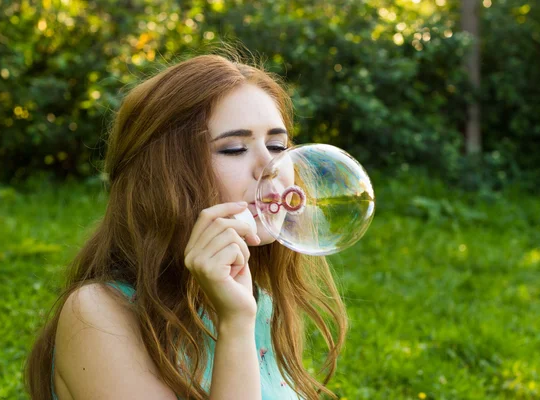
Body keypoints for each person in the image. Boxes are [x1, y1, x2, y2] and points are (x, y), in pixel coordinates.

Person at [24, 50, 348, 400]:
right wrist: (235, 326)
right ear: (164, 176)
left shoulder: (258, 300)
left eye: (277, 144)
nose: (269, 166)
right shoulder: (99, 314)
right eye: (234, 149)